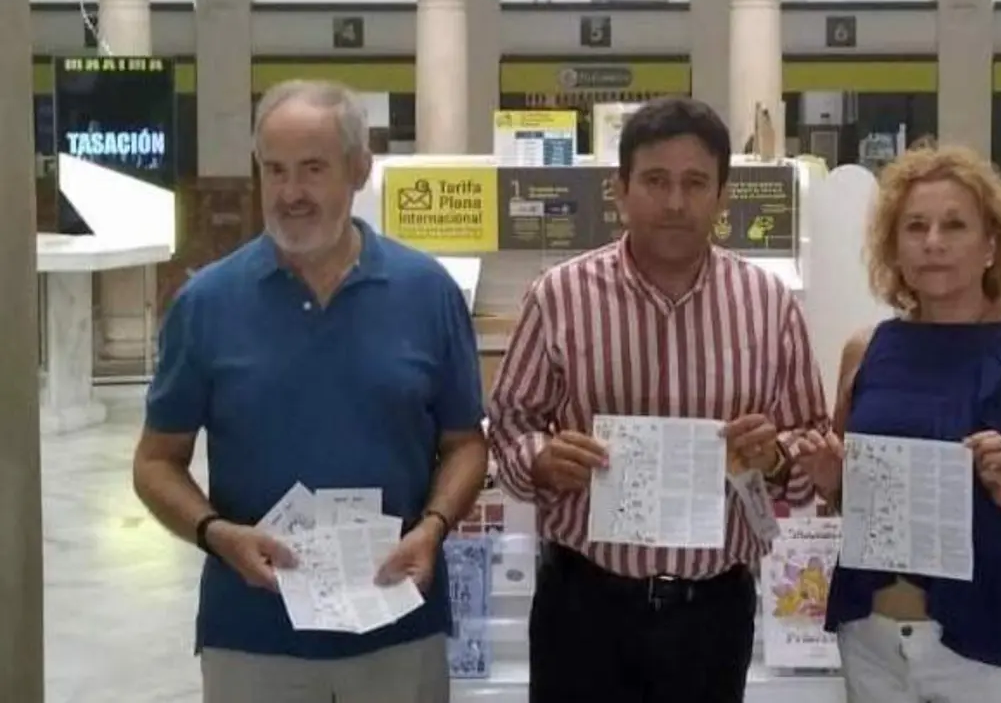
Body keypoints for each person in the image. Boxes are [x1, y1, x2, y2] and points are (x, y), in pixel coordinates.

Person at [131, 79, 488, 703]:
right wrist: (216, 533)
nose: (291, 193)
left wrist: (433, 526)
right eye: (274, 170)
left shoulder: (426, 293)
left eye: (313, 169)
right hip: (251, 635)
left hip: (396, 629)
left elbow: (465, 444)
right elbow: (155, 461)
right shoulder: (206, 304)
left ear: (358, 169)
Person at [486, 96, 830, 703]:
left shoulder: (769, 305)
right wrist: (540, 458)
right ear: (620, 190)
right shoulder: (560, 297)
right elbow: (511, 423)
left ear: (723, 197)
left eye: (696, 183)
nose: (675, 202)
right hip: (583, 605)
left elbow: (810, 436)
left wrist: (774, 456)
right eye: (655, 181)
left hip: (711, 611)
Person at [794, 143, 1001, 702]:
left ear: (991, 244)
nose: (933, 243)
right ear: (895, 246)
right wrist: (830, 477)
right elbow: (845, 496)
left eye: (954, 225)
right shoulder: (866, 350)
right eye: (915, 226)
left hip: (990, 643)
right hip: (871, 637)